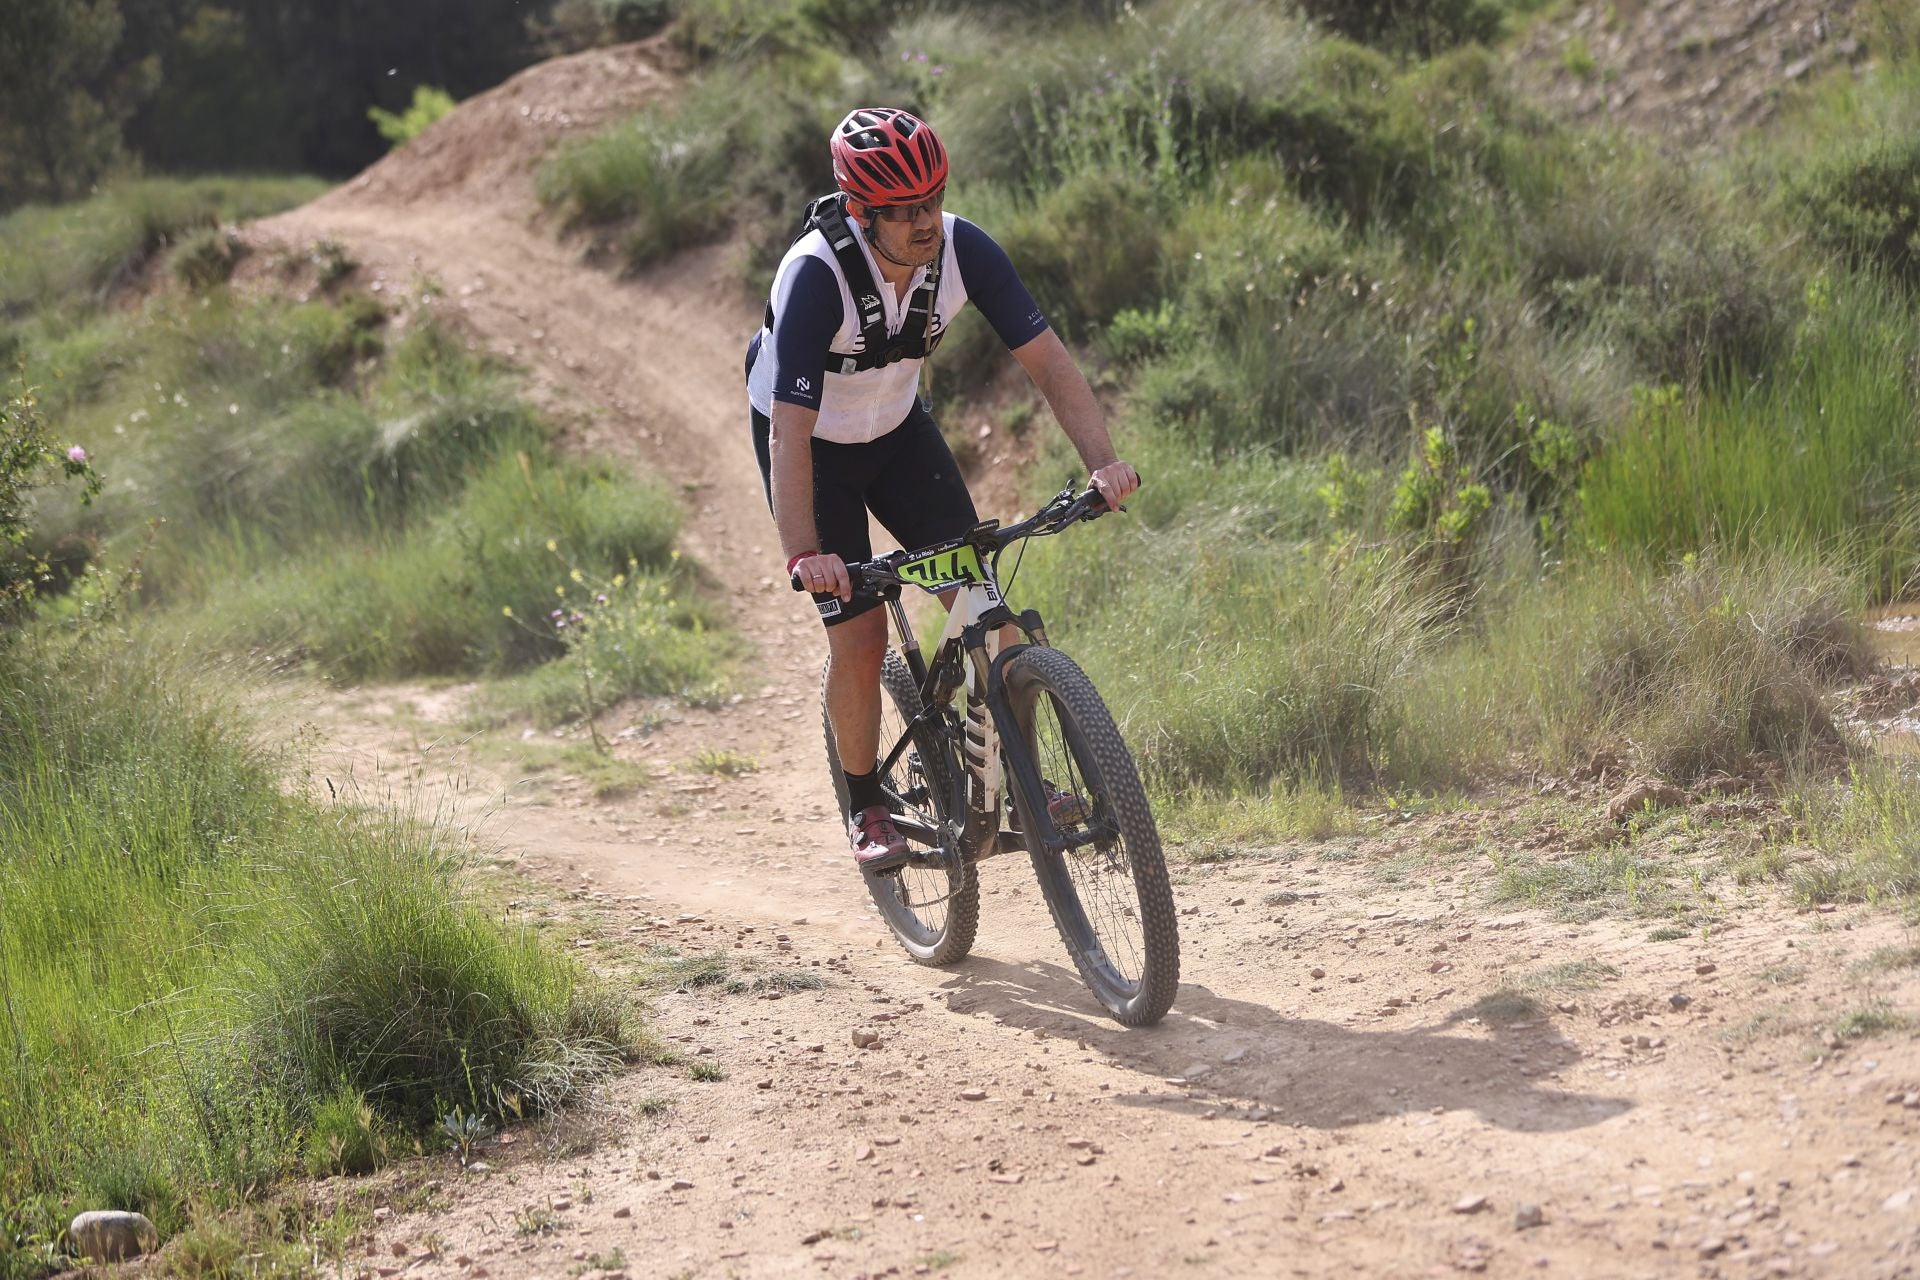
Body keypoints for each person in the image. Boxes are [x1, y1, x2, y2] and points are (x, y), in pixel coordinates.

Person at [745, 106, 1139, 873]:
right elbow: (789, 432)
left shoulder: (964, 250)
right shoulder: (814, 276)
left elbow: (1050, 365)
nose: (926, 221)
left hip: (894, 432)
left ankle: (1022, 777)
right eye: (905, 211)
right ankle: (866, 804)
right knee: (857, 638)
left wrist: (1103, 463)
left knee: (983, 600)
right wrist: (805, 553)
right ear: (863, 213)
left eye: (933, 199)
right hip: (814, 450)